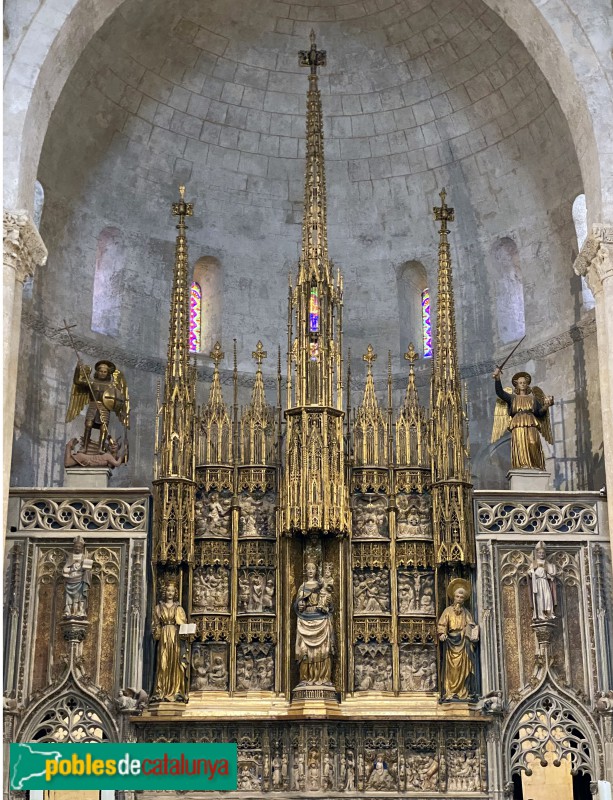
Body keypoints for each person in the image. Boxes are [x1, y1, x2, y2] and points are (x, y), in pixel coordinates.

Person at [491, 368, 553, 470]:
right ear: (517, 385)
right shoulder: (512, 398)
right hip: (518, 423)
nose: (523, 384)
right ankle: (522, 466)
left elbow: (539, 413)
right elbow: (500, 393)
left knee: (533, 443)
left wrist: (546, 406)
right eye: (520, 383)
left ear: (527, 384)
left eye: (524, 382)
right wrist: (497, 379)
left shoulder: (532, 399)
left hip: (531, 422)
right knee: (520, 445)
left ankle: (536, 466)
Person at [66, 359, 129, 453]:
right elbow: (77, 381)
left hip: (105, 408)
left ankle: (101, 448)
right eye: (101, 371)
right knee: (88, 425)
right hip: (93, 406)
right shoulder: (91, 382)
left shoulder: (111, 385)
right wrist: (78, 369)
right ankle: (85, 447)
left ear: (108, 373)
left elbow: (119, 399)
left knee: (103, 427)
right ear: (97, 372)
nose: (103, 373)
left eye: (105, 372)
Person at [437, 579, 479, 700]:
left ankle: (463, 692)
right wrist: (442, 633)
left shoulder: (466, 612)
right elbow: (442, 625)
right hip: (451, 643)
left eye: (462, 597)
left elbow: (471, 626)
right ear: (453, 597)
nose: (459, 599)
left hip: (464, 644)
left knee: (464, 668)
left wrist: (471, 631)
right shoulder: (448, 611)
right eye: (457, 596)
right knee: (452, 669)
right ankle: (450, 691)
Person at [295, 560, 335, 684]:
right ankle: (306, 678)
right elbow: (297, 604)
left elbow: (330, 604)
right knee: (304, 651)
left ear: (317, 571)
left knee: (323, 651)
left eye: (313, 568)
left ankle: (323, 678)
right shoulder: (303, 586)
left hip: (321, 619)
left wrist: (328, 602)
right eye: (308, 568)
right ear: (305, 571)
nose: (311, 571)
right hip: (305, 619)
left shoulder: (322, 585)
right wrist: (300, 605)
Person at [152, 582, 188, 701]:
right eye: (168, 591)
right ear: (164, 592)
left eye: (172, 591)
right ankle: (161, 690)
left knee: (175, 663)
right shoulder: (158, 608)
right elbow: (155, 625)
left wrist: (186, 631)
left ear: (175, 593)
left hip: (175, 637)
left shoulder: (179, 609)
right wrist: (156, 632)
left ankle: (176, 690)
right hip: (163, 637)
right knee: (163, 664)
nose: (170, 593)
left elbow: (183, 624)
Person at [62, 536, 93, 618]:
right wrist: (71, 569)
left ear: (82, 548)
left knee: (80, 597)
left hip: (80, 580)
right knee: (69, 598)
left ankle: (80, 611)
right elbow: (65, 569)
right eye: (76, 546)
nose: (77, 548)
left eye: (79, 547)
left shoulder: (84, 557)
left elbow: (87, 569)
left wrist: (85, 569)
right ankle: (68, 612)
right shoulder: (71, 557)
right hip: (71, 580)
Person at [528, 541, 557, 620]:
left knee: (547, 597)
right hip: (537, 583)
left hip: (544, 582)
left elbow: (550, 574)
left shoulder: (547, 563)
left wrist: (550, 575)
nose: (541, 554)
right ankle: (540, 614)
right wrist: (532, 572)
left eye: (543, 553)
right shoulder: (534, 563)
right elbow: (530, 572)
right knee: (539, 598)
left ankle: (549, 613)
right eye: (540, 553)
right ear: (537, 554)